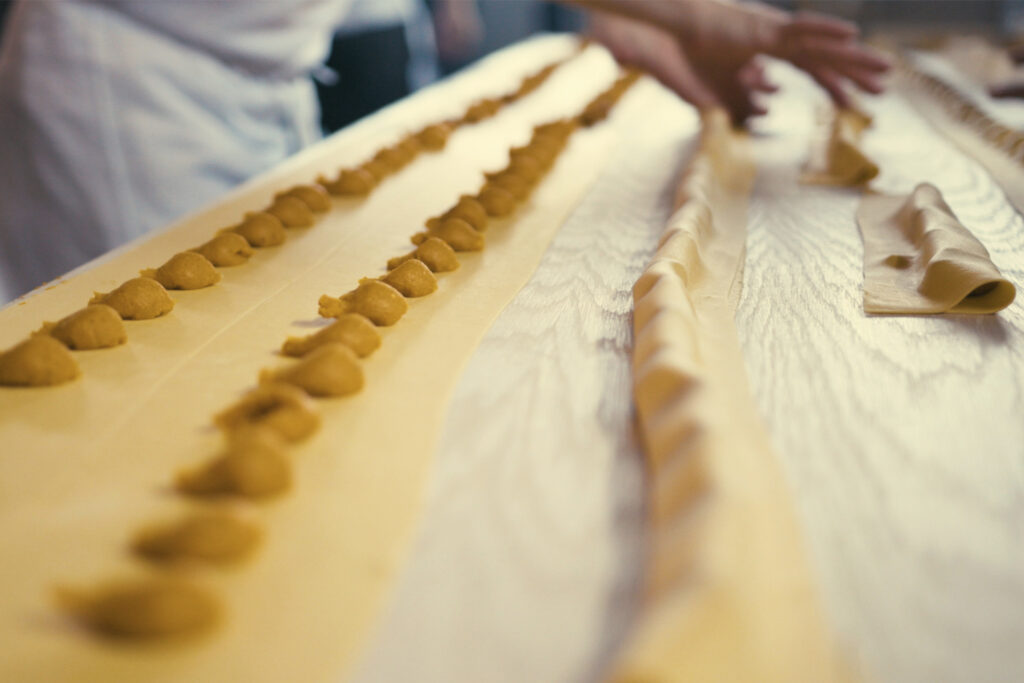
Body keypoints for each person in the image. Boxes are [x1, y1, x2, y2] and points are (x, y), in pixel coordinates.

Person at [0, 0, 888, 304]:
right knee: (148, 378)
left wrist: (616, 21)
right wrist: (695, 14)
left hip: (258, 69)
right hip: (129, 76)